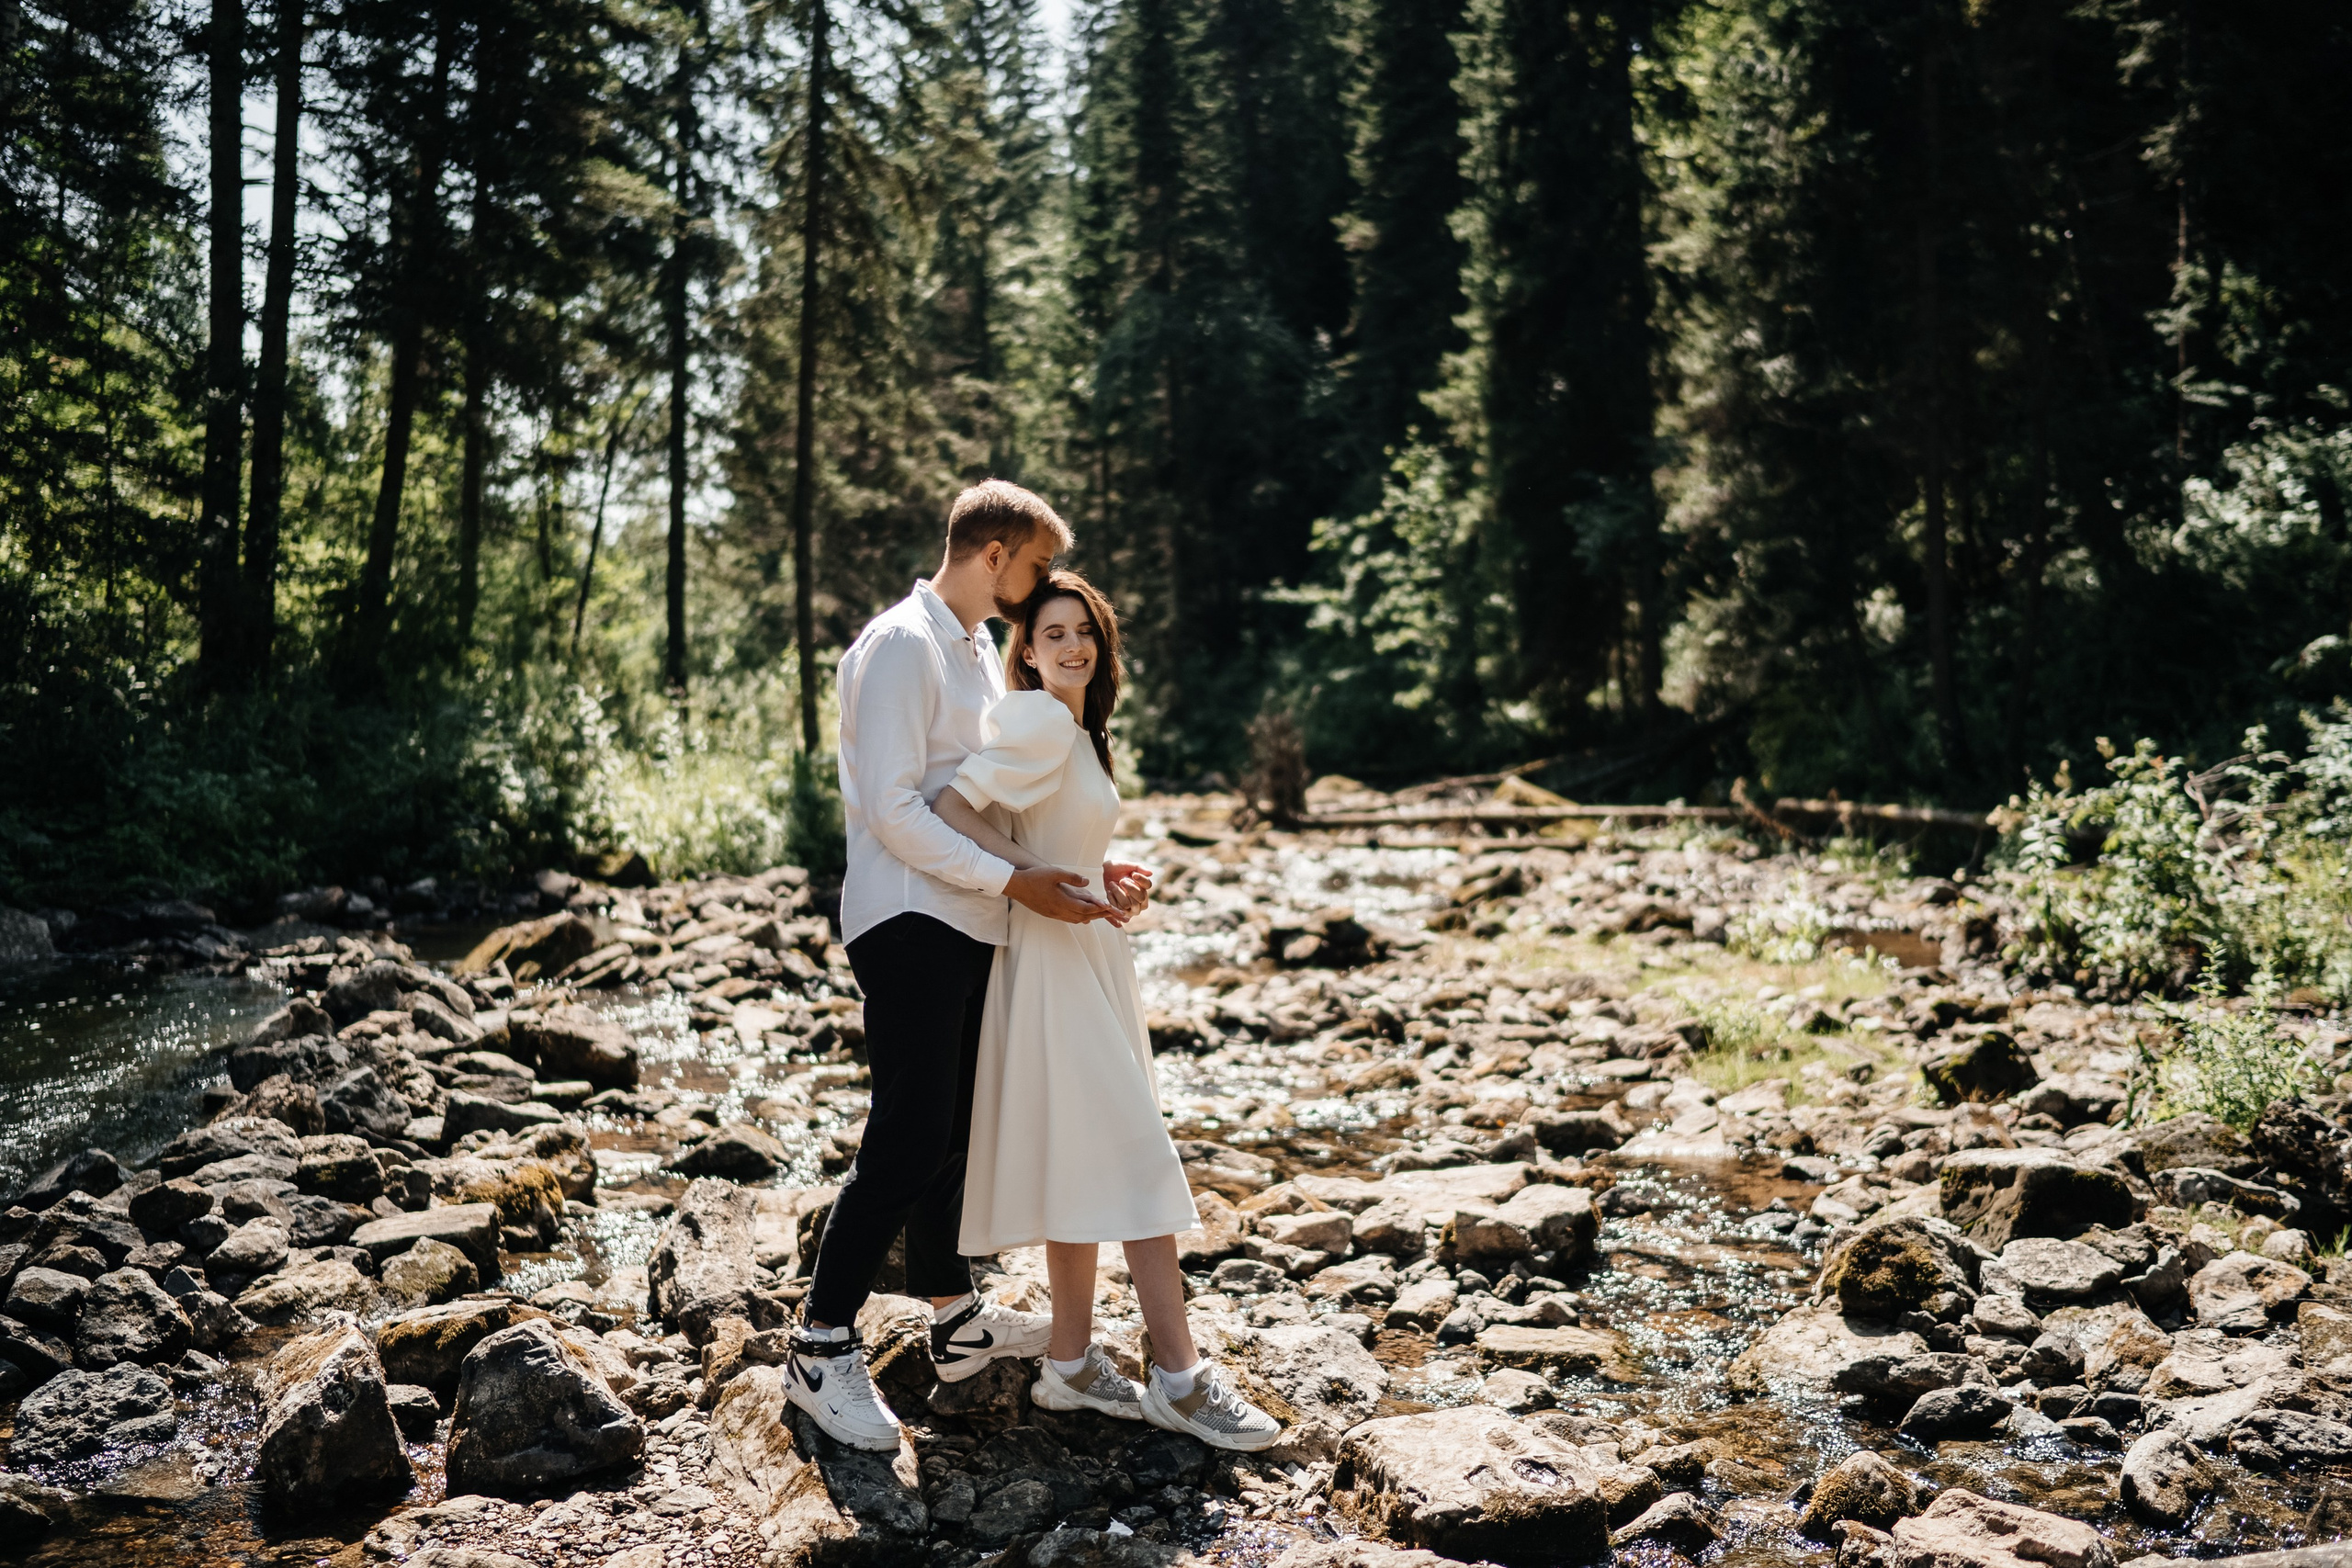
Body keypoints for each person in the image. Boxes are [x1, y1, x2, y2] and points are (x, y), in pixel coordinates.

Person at [782, 482, 1155, 1452]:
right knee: (907, 1134)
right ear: (994, 553)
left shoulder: (977, 649)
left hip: (971, 911)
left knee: (955, 1127)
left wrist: (1063, 868)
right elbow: (896, 808)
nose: (1036, 600)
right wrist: (1013, 880)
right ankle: (820, 1346)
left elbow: (994, 802)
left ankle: (951, 1318)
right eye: (1033, 572)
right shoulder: (903, 645)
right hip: (908, 916)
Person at [932, 569, 1284, 1451]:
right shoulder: (1040, 717)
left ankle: (1071, 1362)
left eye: (1082, 630)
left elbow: (1053, 835)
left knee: (1086, 1158)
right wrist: (1024, 880)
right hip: (1051, 963)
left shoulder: (1080, 730)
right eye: (1051, 633)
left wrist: (1102, 874)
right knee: (1131, 1152)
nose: (1072, 646)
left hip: (1086, 950)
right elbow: (950, 806)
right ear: (1027, 649)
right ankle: (1179, 1376)